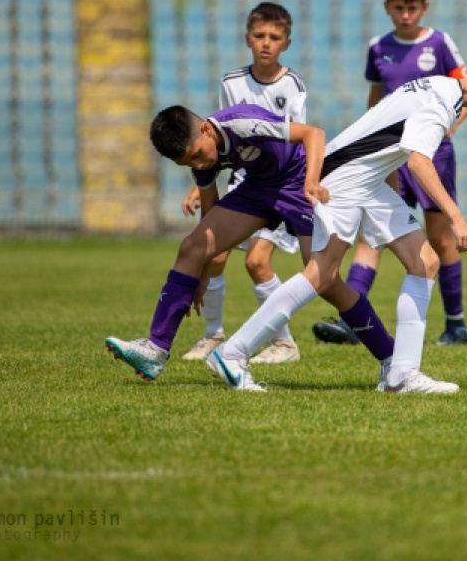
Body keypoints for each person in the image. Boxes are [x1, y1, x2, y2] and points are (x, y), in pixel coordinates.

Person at [206, 51, 467, 395]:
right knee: (322, 274)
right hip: (347, 177)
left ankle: (400, 375)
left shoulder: (441, 86)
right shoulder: (442, 102)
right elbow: (419, 162)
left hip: (369, 179)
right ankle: (233, 352)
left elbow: (387, 133)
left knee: (425, 261)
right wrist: (457, 218)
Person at [105, 102, 397, 389]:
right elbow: (210, 217)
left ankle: (391, 360)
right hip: (259, 189)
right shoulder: (201, 153)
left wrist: (311, 182)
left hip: (299, 181)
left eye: (197, 155)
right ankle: (155, 350)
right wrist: (204, 271)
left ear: (206, 129)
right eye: (189, 164)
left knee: (327, 280)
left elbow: (314, 134)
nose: (199, 164)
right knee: (192, 247)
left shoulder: (242, 123)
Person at [312, 0, 467, 348]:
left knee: (438, 236)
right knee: (375, 232)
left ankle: (455, 323)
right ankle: (352, 319)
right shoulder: (378, 47)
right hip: (388, 155)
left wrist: (449, 127)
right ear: (387, 7)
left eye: (412, 8)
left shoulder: (440, 43)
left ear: (424, 8)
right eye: (399, 8)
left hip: (432, 155)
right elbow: (377, 101)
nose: (406, 15)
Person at [180, 2, 308, 365]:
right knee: (215, 254)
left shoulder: (292, 84)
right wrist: (203, 182)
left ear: (286, 43)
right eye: (259, 36)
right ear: (247, 38)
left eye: (274, 37)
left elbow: (297, 139)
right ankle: (212, 335)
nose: (266, 43)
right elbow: (222, 139)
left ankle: (284, 343)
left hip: (283, 184)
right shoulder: (231, 83)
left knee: (256, 261)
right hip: (244, 179)